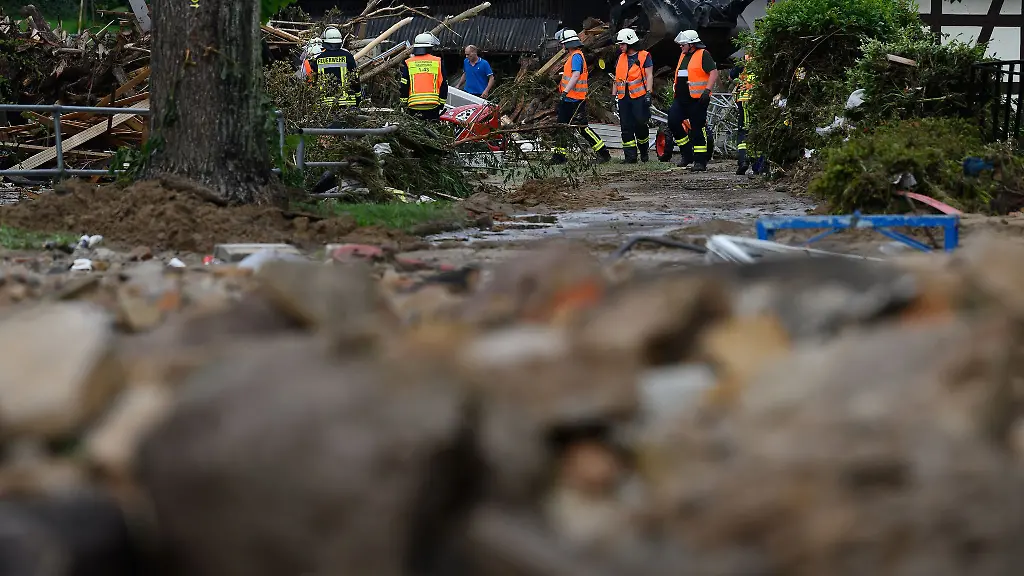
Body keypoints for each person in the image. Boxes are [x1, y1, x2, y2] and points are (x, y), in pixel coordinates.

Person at [550, 29, 611, 165]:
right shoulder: (574, 56)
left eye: (563, 43)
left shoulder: (576, 56)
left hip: (575, 99)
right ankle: (559, 156)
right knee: (562, 127)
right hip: (568, 99)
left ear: (568, 43)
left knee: (582, 128)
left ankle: (603, 153)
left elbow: (576, 75)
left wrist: (565, 91)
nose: (562, 46)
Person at [669, 29, 718, 172]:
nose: (680, 46)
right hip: (681, 99)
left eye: (683, 44)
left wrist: (707, 91)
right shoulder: (683, 55)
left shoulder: (703, 54)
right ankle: (686, 153)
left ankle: (700, 161)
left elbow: (713, 73)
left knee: (698, 129)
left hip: (697, 100)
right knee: (673, 121)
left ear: (691, 44)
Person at [611, 28, 653, 163]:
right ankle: (630, 157)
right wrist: (613, 96)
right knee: (626, 127)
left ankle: (644, 151)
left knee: (641, 124)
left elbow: (649, 75)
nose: (620, 47)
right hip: (624, 98)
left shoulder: (644, 56)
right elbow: (617, 79)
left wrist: (648, 93)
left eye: (622, 44)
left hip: (639, 97)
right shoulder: (620, 58)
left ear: (630, 43)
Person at [306, 27, 360, 107]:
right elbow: (355, 79)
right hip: (347, 105)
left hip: (325, 107)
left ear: (324, 42)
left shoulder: (318, 59)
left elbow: (313, 82)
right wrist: (358, 99)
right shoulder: (348, 57)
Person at [400, 33, 448, 121]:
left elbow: (404, 83)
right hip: (432, 104)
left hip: (413, 105)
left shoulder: (409, 62)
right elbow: (444, 83)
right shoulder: (438, 61)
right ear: (430, 47)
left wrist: (403, 102)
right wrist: (441, 103)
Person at [731, 53, 754, 175]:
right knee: (755, 130)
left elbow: (732, 76)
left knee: (743, 131)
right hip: (760, 100)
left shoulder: (744, 60)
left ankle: (743, 160)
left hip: (745, 100)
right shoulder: (765, 57)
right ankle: (758, 166)